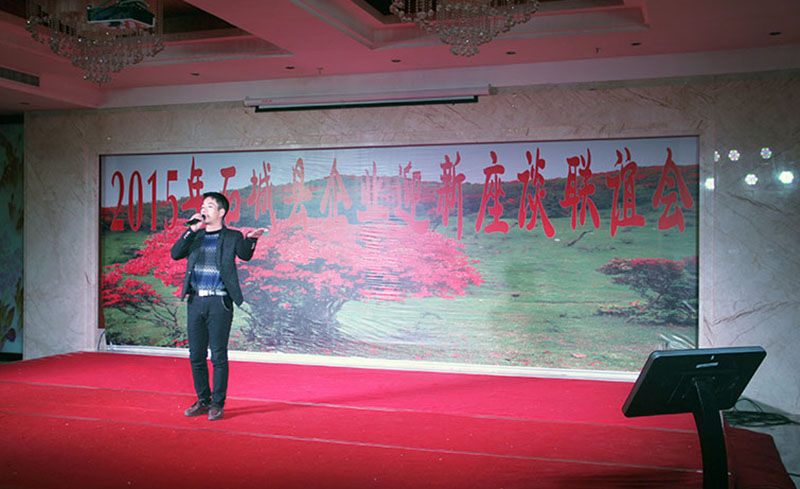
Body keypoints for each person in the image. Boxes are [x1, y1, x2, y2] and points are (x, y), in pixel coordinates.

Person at [170, 191, 266, 421]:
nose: (204, 209)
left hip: (219, 302)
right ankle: (203, 400)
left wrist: (251, 239)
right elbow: (175, 254)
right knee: (196, 355)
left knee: (218, 355)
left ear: (221, 212)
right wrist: (192, 229)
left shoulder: (232, 236)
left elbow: (245, 255)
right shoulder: (196, 236)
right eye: (203, 206)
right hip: (196, 301)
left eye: (210, 206)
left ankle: (217, 403)